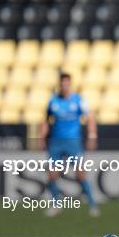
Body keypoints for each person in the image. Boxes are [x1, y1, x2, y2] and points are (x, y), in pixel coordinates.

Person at [39, 72, 99, 217]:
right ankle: (56, 203)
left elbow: (90, 118)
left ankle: (92, 204)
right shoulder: (53, 101)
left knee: (80, 174)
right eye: (62, 83)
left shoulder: (78, 100)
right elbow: (46, 120)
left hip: (73, 142)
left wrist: (92, 136)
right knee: (52, 174)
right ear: (59, 84)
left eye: (67, 83)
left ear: (70, 84)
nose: (64, 86)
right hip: (56, 142)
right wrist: (41, 137)